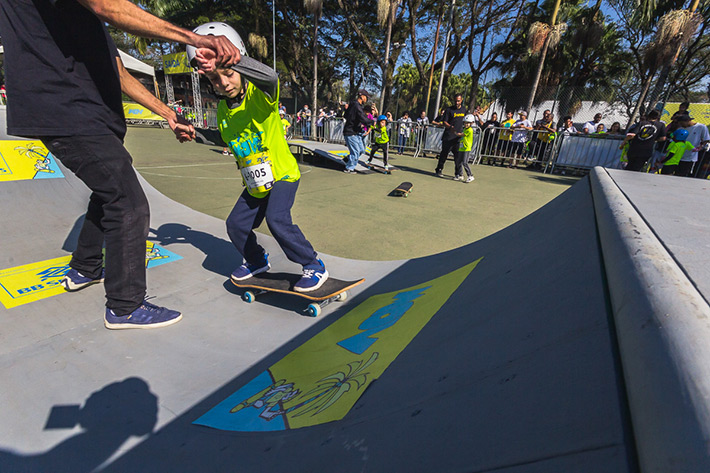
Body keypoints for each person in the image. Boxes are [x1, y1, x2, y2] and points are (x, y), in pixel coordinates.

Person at [0, 0, 239, 329]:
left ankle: (84, 267)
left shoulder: (69, 18)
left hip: (82, 112)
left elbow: (117, 71)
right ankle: (125, 305)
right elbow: (106, 5)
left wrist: (167, 113)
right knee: (128, 202)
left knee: (108, 188)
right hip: (65, 108)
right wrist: (194, 39)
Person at [190, 22, 329, 292]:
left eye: (228, 74)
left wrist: (235, 58)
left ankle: (313, 265)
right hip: (256, 183)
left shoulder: (261, 94)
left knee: (277, 220)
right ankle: (256, 260)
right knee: (236, 225)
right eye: (215, 79)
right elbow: (222, 138)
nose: (223, 83)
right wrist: (192, 131)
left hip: (282, 175)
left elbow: (271, 78)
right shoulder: (221, 109)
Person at [342, 89, 375, 173]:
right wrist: (372, 122)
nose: (367, 99)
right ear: (362, 96)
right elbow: (363, 118)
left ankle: (348, 159)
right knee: (356, 152)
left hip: (355, 131)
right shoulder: (357, 106)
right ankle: (349, 168)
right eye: (366, 97)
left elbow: (346, 115)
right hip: (350, 132)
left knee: (361, 150)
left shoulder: (354, 104)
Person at [435, 94, 467, 177]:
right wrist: (450, 127)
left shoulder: (464, 110)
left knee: (457, 157)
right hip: (448, 137)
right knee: (444, 155)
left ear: (461, 100)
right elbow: (444, 122)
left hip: (457, 137)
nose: (457, 102)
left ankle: (458, 173)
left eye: (458, 101)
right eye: (456, 101)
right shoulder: (449, 110)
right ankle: (439, 169)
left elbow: (466, 121)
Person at [673, 112, 710, 177]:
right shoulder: (680, 129)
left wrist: (700, 146)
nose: (681, 125)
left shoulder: (701, 127)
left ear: (687, 121)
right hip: (679, 154)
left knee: (686, 171)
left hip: (691, 154)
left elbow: (706, 139)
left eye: (682, 123)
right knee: (677, 171)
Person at [454, 114, 476, 183]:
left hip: (466, 148)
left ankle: (470, 176)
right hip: (462, 148)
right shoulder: (464, 129)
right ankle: (460, 175)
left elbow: (461, 134)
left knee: (465, 162)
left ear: (471, 123)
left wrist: (455, 132)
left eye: (468, 123)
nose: (466, 124)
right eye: (465, 123)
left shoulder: (470, 130)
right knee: (458, 162)